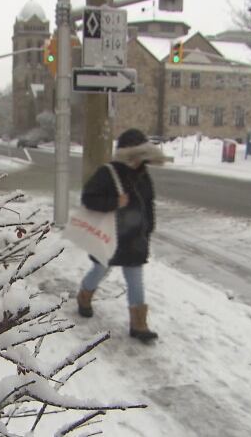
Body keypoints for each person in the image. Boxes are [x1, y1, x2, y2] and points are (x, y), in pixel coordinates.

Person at [76, 128, 166, 344]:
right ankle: (84, 296)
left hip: (135, 238)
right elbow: (88, 199)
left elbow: (149, 204)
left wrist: (148, 229)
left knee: (135, 278)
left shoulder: (144, 175)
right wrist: (115, 202)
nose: (137, 159)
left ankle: (139, 324)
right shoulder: (108, 172)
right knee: (100, 269)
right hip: (110, 235)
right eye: (134, 154)